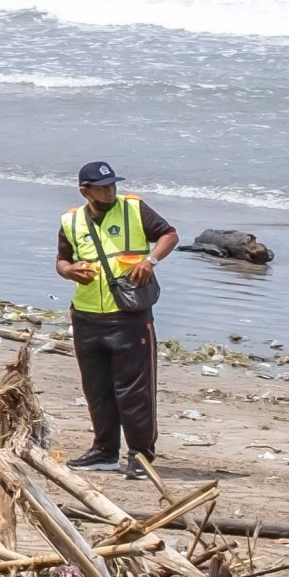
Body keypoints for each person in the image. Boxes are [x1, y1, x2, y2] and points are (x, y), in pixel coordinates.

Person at [54, 159, 178, 471]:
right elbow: (61, 260)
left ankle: (140, 456)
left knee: (135, 390)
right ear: (86, 191)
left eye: (113, 185)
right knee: (96, 388)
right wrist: (70, 271)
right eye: (103, 187)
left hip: (129, 315)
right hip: (86, 316)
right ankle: (104, 451)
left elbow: (169, 235)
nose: (110, 191)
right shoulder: (71, 221)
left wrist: (150, 260)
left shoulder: (133, 208)